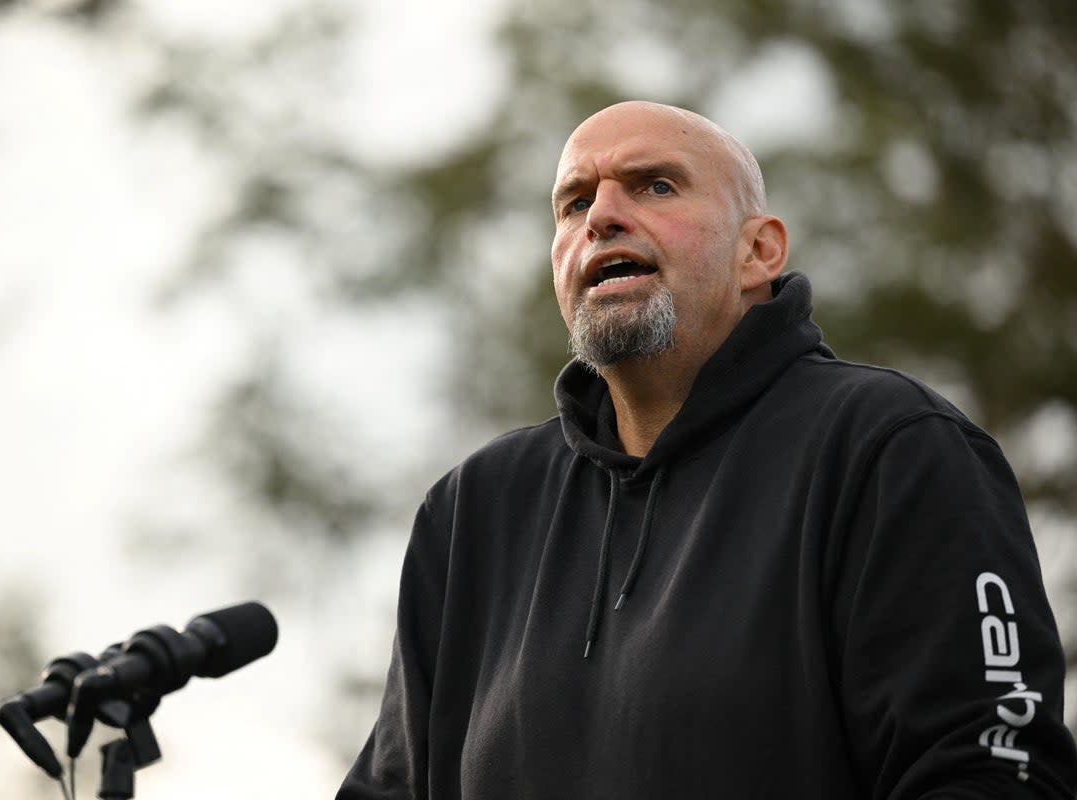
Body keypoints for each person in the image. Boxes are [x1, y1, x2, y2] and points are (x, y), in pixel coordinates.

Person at [336, 101, 1077, 799]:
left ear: (758, 251)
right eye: (574, 203)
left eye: (655, 185)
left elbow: (988, 769)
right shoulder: (472, 511)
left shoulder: (890, 447)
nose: (602, 218)